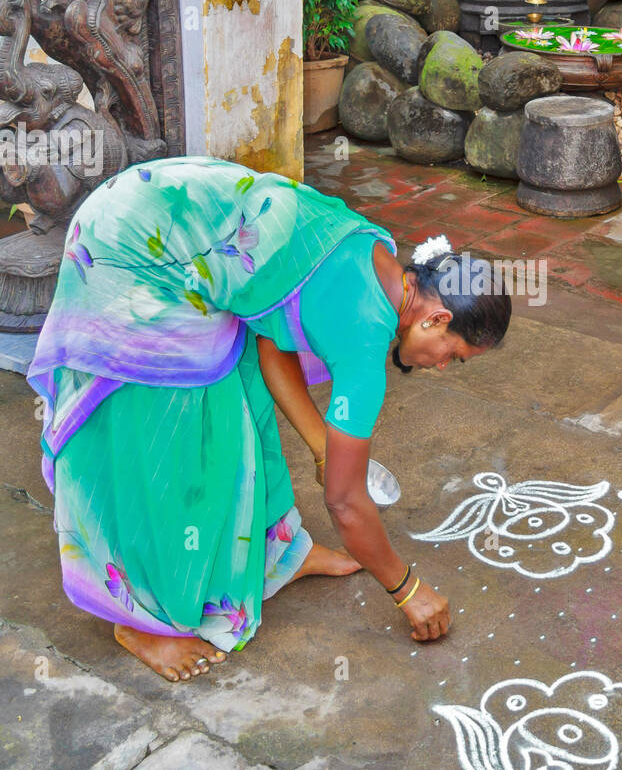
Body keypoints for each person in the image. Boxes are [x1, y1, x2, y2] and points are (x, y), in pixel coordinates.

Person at [28, 156, 511, 683]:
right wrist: (409, 591)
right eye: (452, 355)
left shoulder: (378, 258)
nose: (442, 367)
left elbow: (269, 337)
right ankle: (139, 619)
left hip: (152, 211)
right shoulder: (363, 338)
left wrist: (324, 448)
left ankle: (278, 551)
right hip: (129, 251)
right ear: (437, 318)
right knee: (176, 426)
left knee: (238, 388)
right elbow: (346, 502)